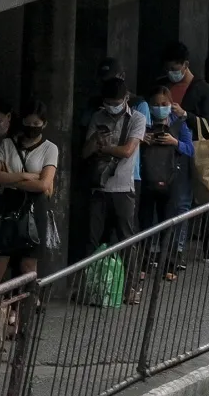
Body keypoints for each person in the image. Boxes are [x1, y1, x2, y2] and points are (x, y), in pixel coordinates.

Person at [0, 102, 59, 289]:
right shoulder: (7, 144)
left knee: (28, 265)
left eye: (36, 124)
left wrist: (8, 179)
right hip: (7, 206)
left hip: (34, 209)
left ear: (44, 124)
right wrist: (24, 177)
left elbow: (43, 184)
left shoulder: (50, 148)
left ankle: (23, 312)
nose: (31, 128)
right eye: (28, 123)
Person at [135, 77, 195, 286]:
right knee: (145, 223)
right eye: (156, 105)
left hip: (171, 181)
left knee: (168, 223)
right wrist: (144, 140)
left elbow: (190, 149)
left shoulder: (179, 125)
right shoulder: (142, 125)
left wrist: (174, 142)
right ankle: (143, 264)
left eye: (164, 104)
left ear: (171, 105)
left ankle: (168, 264)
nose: (160, 108)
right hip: (148, 180)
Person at [81, 77, 145, 255]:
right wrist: (95, 141)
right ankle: (90, 279)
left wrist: (103, 147)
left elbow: (127, 151)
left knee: (126, 237)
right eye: (108, 103)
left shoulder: (137, 118)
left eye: (116, 103)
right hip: (99, 186)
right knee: (92, 237)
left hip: (123, 187)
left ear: (126, 98)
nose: (112, 106)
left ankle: (130, 281)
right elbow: (85, 152)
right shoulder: (97, 117)